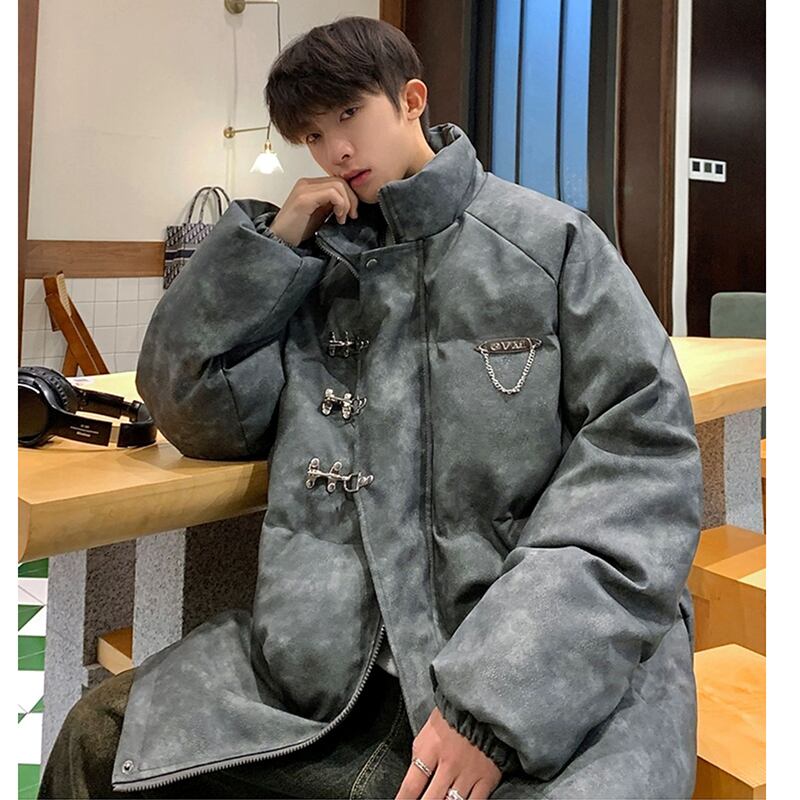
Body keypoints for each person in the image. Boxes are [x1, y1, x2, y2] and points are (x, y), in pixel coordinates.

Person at [39, 15, 703, 800]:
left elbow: (640, 467)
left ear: (411, 99)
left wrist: (495, 706)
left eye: (349, 115)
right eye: (313, 136)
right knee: (96, 738)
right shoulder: (318, 269)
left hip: (530, 668)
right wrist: (274, 245)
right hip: (322, 680)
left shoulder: (550, 244)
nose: (335, 151)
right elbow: (193, 406)